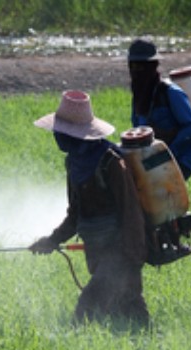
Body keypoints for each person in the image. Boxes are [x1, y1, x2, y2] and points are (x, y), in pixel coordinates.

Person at [29, 90, 149, 328]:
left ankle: (73, 342)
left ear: (77, 136)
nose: (57, 137)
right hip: (97, 249)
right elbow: (76, 214)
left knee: (87, 309)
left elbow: (131, 210)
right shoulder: (74, 164)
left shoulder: (111, 163)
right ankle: (151, 342)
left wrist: (133, 257)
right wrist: (52, 240)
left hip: (120, 251)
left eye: (61, 133)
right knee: (128, 311)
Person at [128, 39, 191, 180]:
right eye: (133, 66)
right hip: (152, 161)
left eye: (141, 66)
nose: (136, 71)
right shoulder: (138, 96)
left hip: (181, 159)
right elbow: (137, 128)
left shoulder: (171, 92)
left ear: (153, 66)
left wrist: (168, 153)